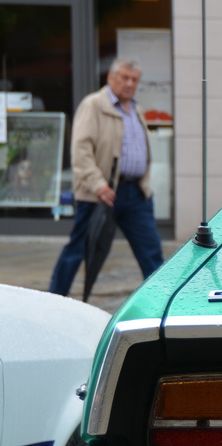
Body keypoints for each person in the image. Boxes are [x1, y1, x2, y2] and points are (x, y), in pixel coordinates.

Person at [48, 58, 164, 297]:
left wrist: (144, 184)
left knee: (151, 252)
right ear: (111, 78)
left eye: (134, 79)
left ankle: (162, 303)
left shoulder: (136, 108)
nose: (130, 84)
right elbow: (81, 150)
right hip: (101, 194)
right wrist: (98, 185)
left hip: (136, 194)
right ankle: (53, 298)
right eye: (124, 77)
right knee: (79, 249)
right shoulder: (94, 105)